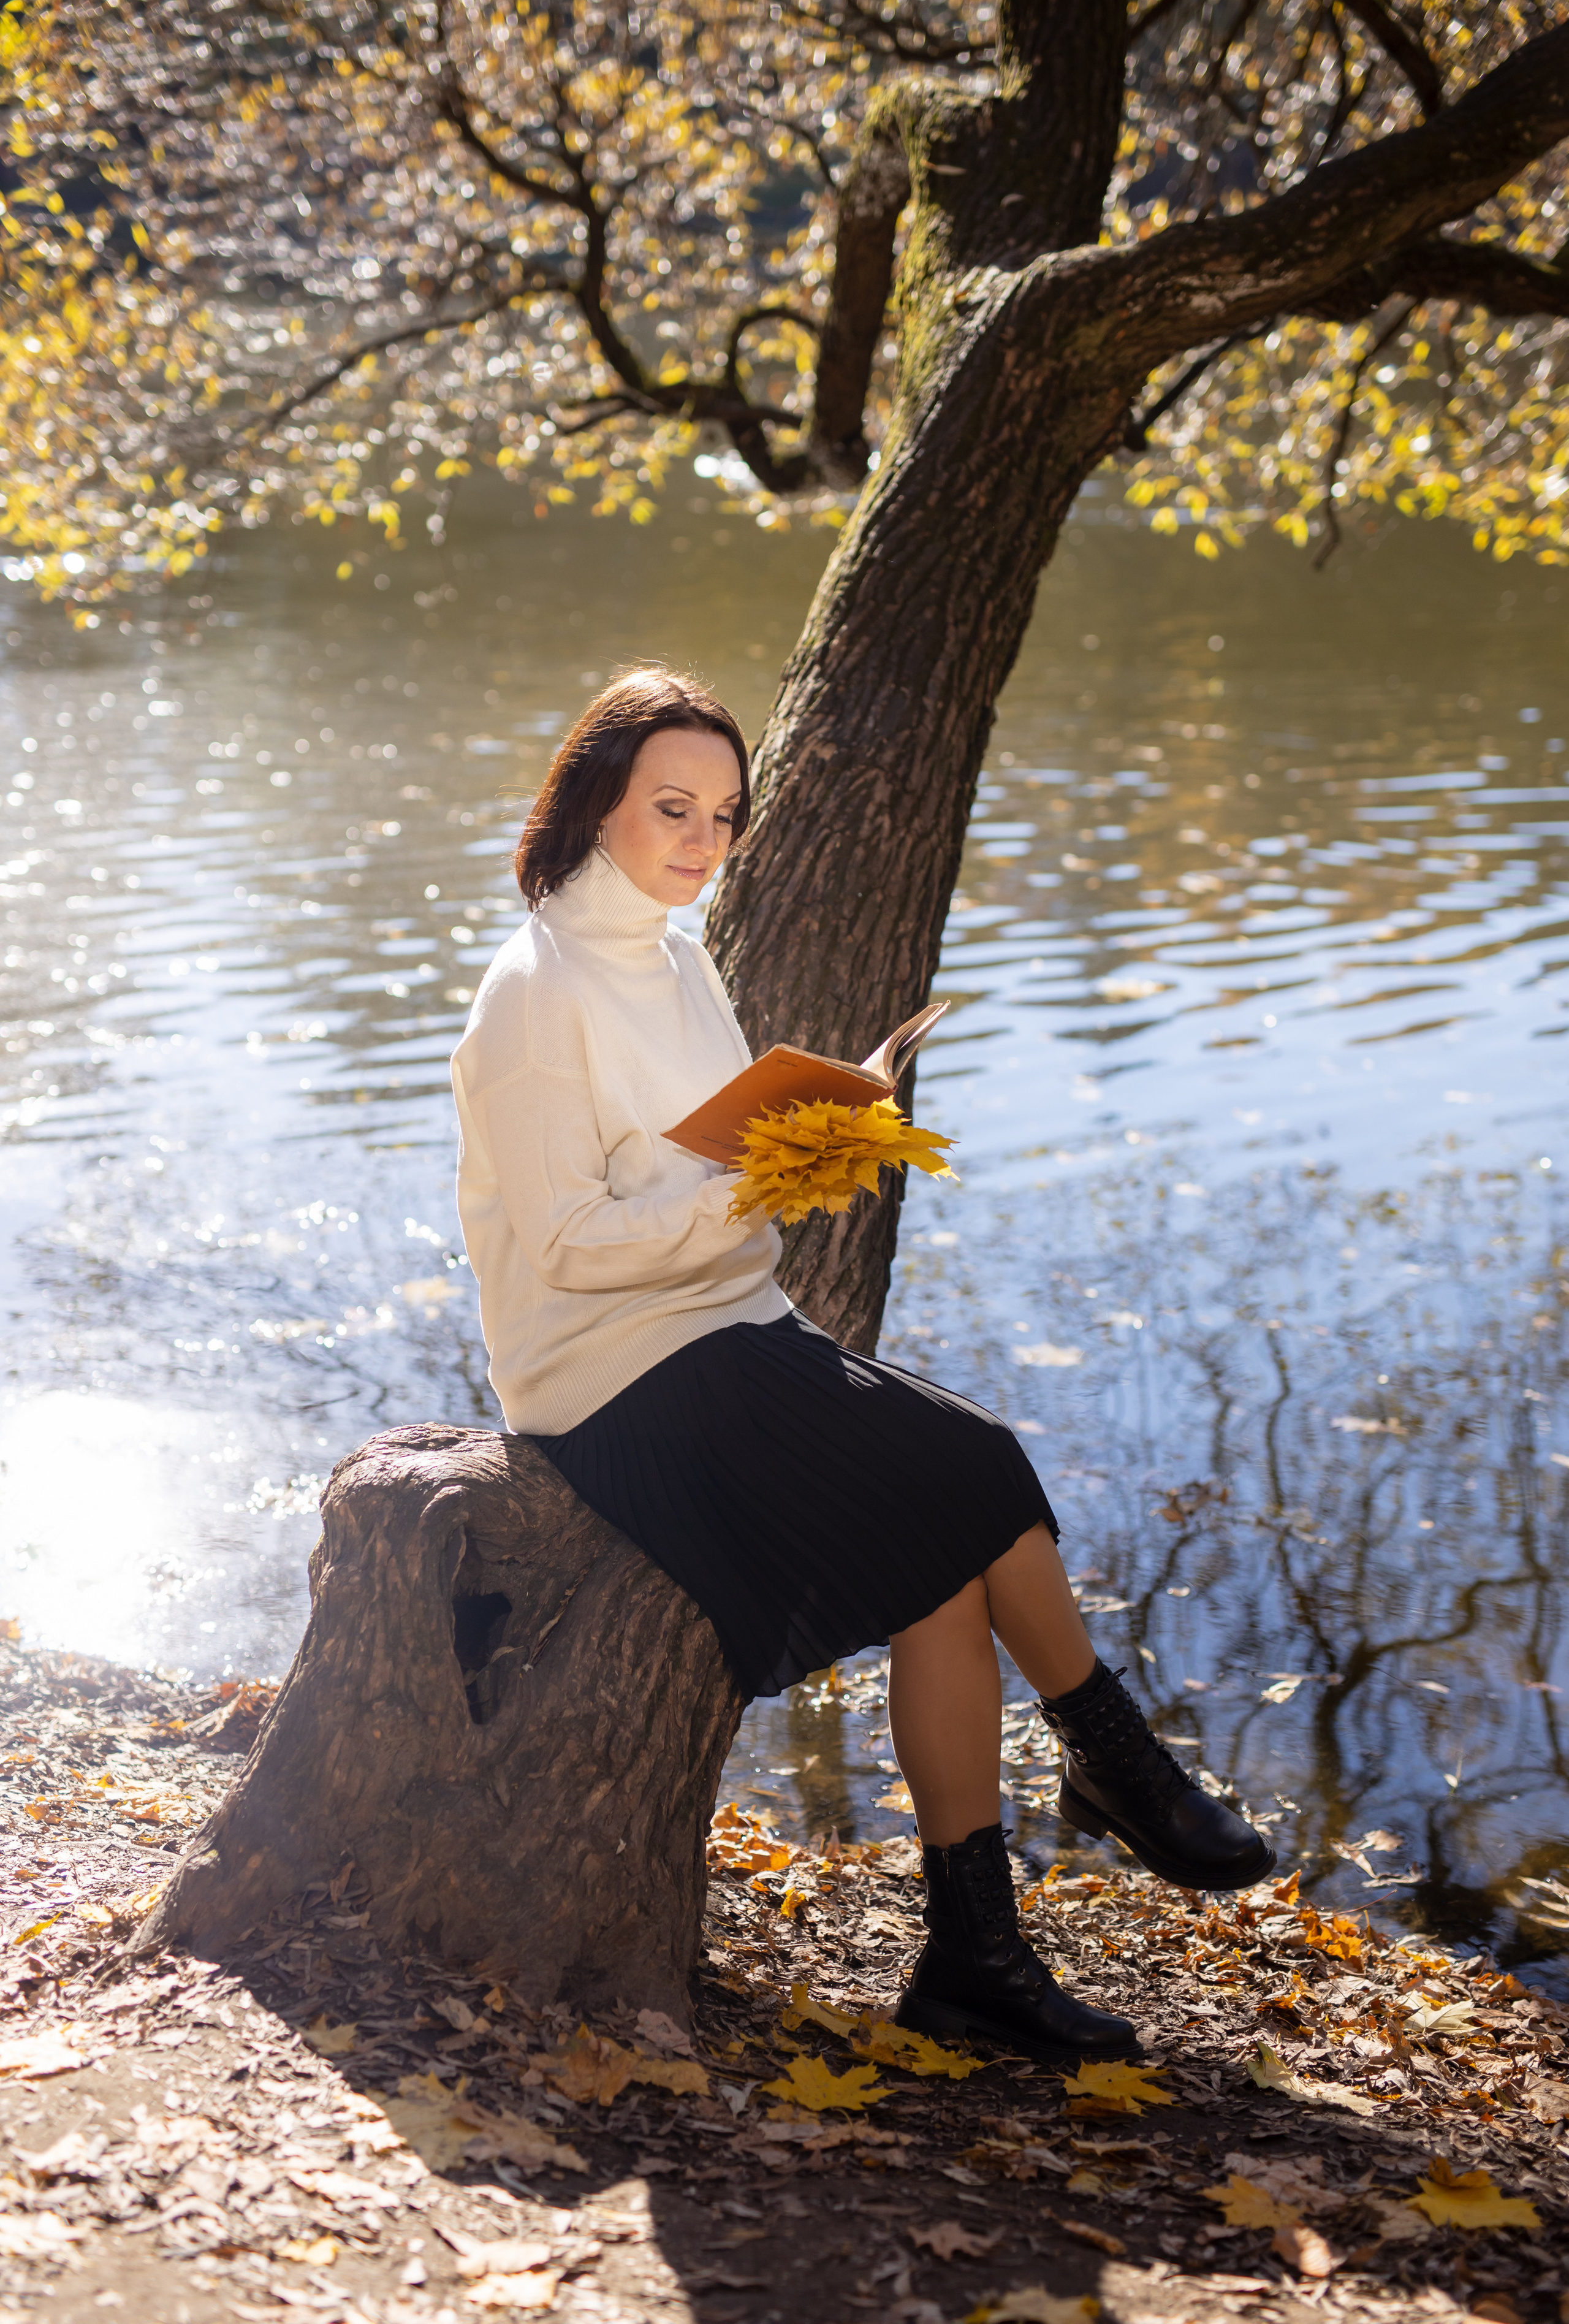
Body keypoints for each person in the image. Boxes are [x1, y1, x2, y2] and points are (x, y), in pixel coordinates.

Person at [451, 664, 1275, 2062]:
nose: (702, 840)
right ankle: (1109, 1756)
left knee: (945, 1564)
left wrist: (820, 1120)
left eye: (722, 812)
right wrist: (768, 1178)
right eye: (671, 808)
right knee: (981, 1466)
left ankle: (973, 1959)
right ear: (594, 803)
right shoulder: (535, 990)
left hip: (726, 1329)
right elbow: (576, 1246)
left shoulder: (671, 948)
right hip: (609, 1379)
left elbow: (695, 1153)